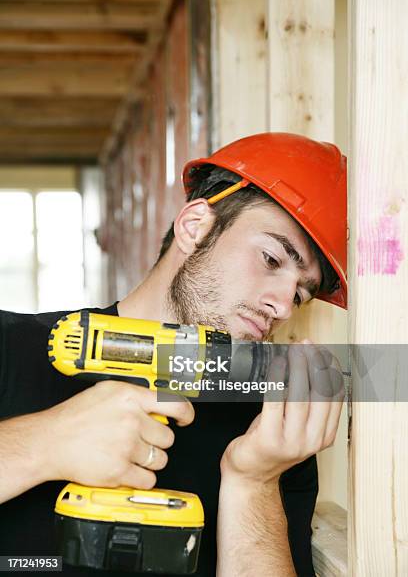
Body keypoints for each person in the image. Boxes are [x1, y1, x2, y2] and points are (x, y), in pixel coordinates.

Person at [0, 132, 346, 576]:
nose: (282, 305)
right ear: (195, 227)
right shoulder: (13, 349)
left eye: (301, 293)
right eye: (272, 260)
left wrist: (253, 482)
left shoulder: (269, 433)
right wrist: (44, 443)